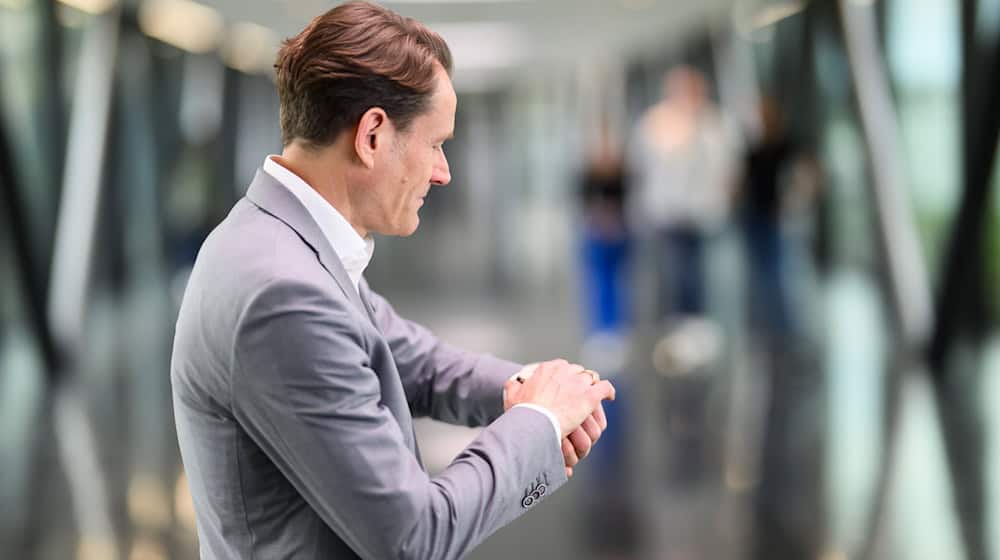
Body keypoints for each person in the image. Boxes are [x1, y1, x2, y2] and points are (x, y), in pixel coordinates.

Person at [169, 2, 616, 559]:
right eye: (435, 143)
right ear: (373, 135)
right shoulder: (283, 291)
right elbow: (413, 536)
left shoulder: (284, 242)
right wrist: (540, 423)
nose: (443, 170)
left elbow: (411, 358)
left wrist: (527, 387)